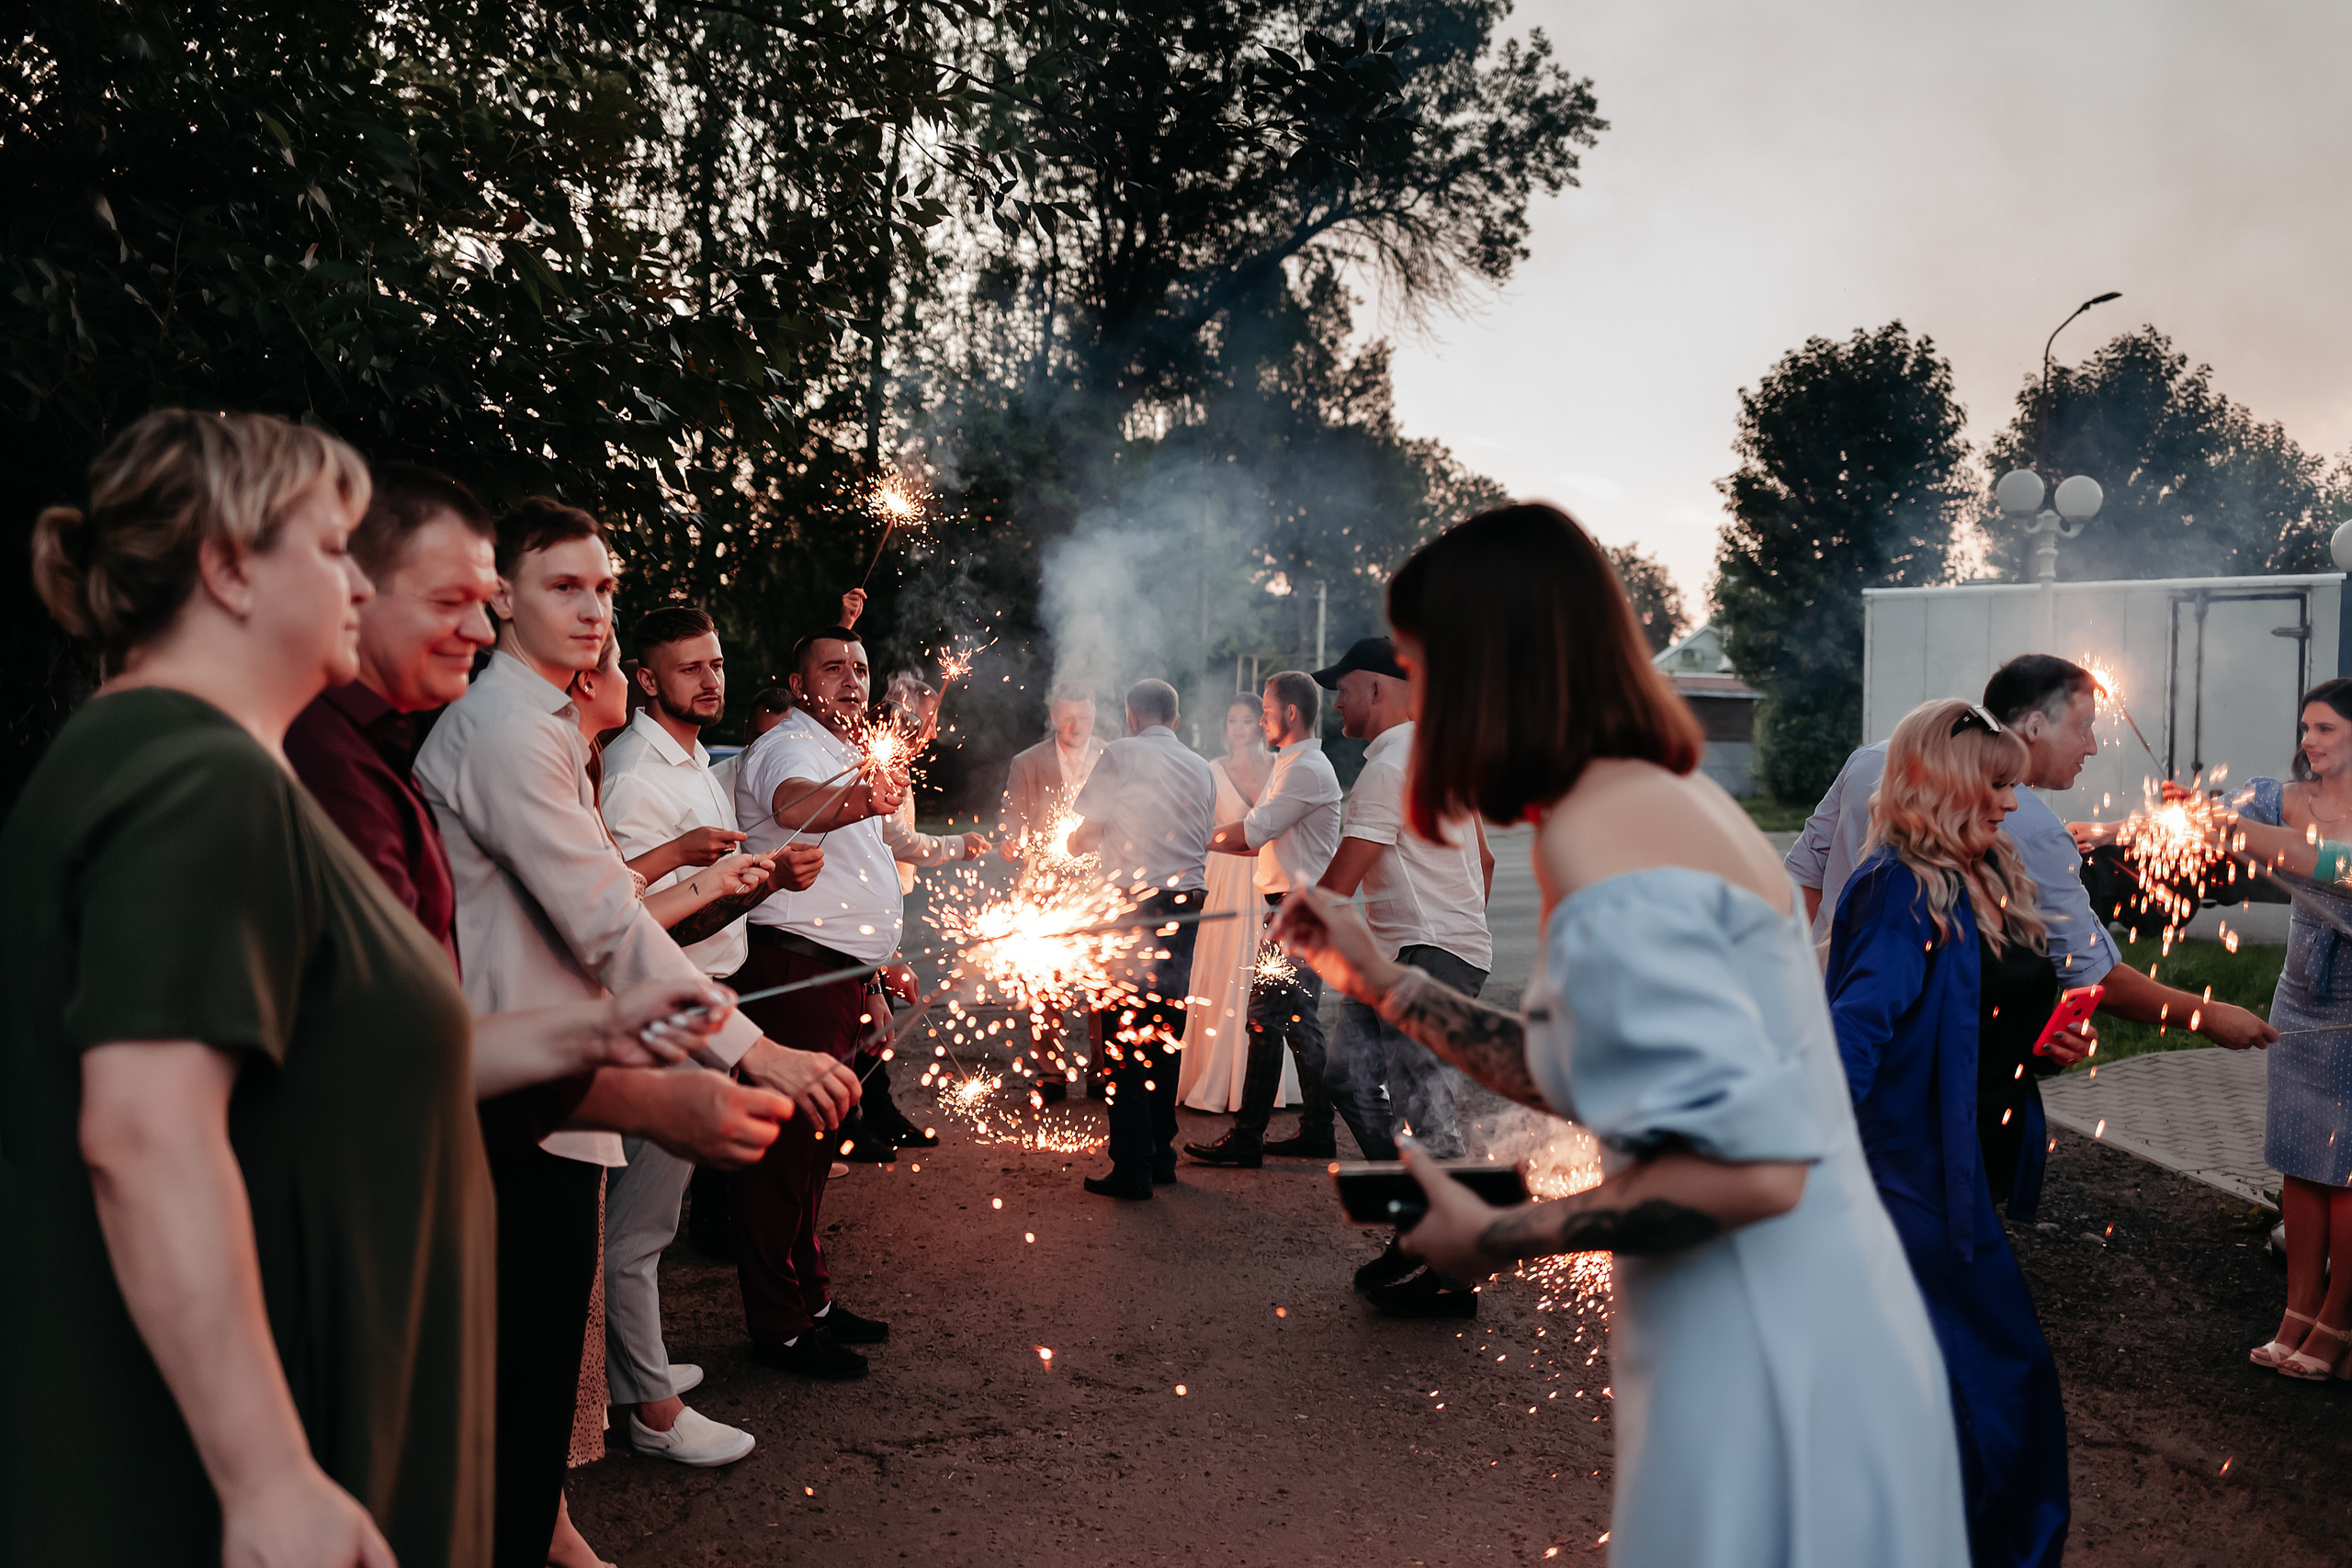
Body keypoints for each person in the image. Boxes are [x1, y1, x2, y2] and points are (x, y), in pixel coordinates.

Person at [4, 411, 733, 1568]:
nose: (362, 577)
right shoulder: (191, 778)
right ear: (228, 570)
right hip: (181, 1462)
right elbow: (146, 1137)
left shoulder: (188, 760)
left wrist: (594, 1026)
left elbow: (333, 1055)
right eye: (333, 546)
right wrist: (269, 1475)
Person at [1272, 503, 1969, 1568]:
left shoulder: (1615, 837)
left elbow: (1749, 1172)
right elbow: (1582, 1075)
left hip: (1771, 1355)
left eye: (1420, 668)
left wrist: (1492, 1238)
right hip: (1781, 1328)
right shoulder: (1636, 802)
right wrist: (1373, 975)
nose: (1408, 706)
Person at [414, 500, 858, 1564]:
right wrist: (752, 1050)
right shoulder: (510, 734)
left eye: (605, 588)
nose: (594, 610)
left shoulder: (542, 729)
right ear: (502, 596)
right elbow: (605, 921)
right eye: (564, 586)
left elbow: (600, 906)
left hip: (557, 1078)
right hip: (523, 1097)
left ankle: (547, 1535)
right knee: (517, 1383)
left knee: (528, 1379)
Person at [1826, 698, 2079, 1568]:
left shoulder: (1986, 871)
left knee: (1977, 1383)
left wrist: (2046, 1045)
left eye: (2012, 783)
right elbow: (1854, 1032)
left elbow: (1977, 1018)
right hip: (1907, 1175)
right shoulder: (1899, 887)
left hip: (1965, 1163)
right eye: (1996, 784)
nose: (2012, 803)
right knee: (1994, 1385)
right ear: (1941, 783)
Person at [1788, 655, 2276, 1066]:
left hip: (1816, 1015)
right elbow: (2094, 974)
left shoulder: (1871, 759)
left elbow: (1802, 885)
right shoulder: (2031, 832)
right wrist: (2208, 1016)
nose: (2093, 745)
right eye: (2084, 727)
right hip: (1914, 1067)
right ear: (2035, 726)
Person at [595, 604, 798, 1471]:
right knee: (638, 1229)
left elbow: (708, 901)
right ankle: (652, 1406)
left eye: (716, 663)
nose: (711, 680)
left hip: (703, 988)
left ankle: (628, 1366)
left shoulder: (694, 761)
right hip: (667, 1004)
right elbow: (635, 931)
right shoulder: (638, 773)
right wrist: (729, 883)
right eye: (689, 668)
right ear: (646, 678)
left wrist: (760, 883)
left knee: (653, 1220)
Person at [728, 624, 911, 1376]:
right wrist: (866, 794)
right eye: (832, 668)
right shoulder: (790, 746)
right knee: (783, 1156)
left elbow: (853, 870)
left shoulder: (846, 748)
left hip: (836, 976)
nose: (850, 680)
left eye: (861, 669)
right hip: (792, 976)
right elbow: (797, 803)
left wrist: (873, 972)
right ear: (799, 684)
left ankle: (814, 1300)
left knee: (813, 1154)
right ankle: (779, 1325)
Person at [1311, 636, 1497, 1315]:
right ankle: (1419, 1223)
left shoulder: (1388, 769)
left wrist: (1287, 928)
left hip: (1428, 956)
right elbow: (1485, 860)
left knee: (1426, 1107)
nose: (1337, 700)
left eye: (1344, 688)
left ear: (1379, 690)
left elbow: (1336, 887)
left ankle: (1455, 1273)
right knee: (1347, 1074)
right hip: (1421, 952)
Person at [2202, 678, 2352, 1379]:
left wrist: (2234, 829)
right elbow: (2211, 812)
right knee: (2299, 1158)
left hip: (2351, 1010)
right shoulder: (2279, 795)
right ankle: (2296, 1311)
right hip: (2298, 998)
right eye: (2304, 728)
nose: (2308, 741)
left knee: (2344, 1167)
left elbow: (2323, 862)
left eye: (2324, 728)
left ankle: (2338, 1320)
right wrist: (2187, 811)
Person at [1186, 670, 1344, 1167]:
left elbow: (1255, 832)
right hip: (1293, 911)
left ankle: (1248, 1137)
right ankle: (1316, 1129)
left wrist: (1190, 838)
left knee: (1265, 1019)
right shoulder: (1293, 764)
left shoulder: (1304, 769)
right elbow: (1267, 843)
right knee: (1297, 1023)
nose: (1262, 720)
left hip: (1296, 915)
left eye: (1269, 712)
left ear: (1291, 714)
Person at [1069, 678, 1216, 1199]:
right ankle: (1160, 1156)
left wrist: (1077, 842)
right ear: (1173, 721)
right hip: (1186, 910)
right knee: (1163, 1030)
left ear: (1131, 717)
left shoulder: (1121, 753)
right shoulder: (1202, 767)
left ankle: (1131, 1165)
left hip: (1132, 907)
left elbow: (1084, 835)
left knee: (1124, 1034)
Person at [1177, 693, 1296, 1112]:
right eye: (1232, 720)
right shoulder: (1211, 770)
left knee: (1265, 975)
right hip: (1224, 876)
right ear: (1225, 727)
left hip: (1268, 874)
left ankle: (1262, 1081)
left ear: (1260, 725)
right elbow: (1196, 824)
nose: (1240, 728)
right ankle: (1212, 1073)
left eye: (1248, 720)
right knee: (1222, 968)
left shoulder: (1282, 768)